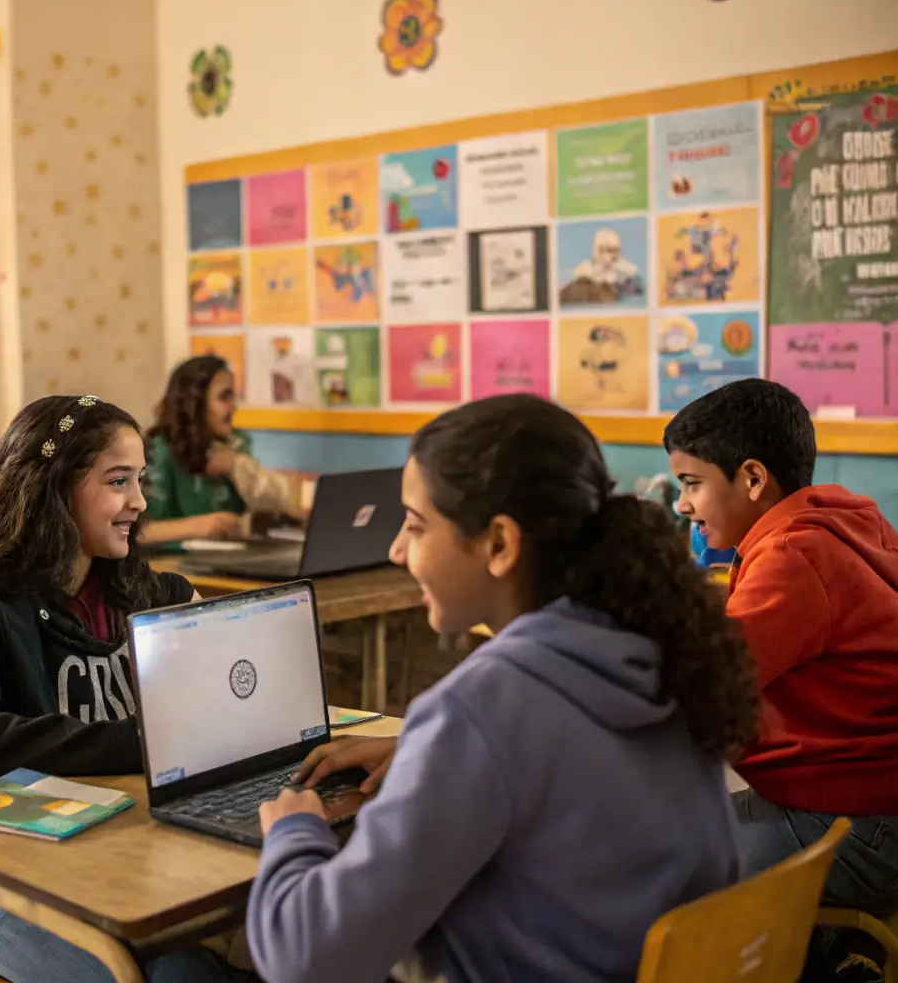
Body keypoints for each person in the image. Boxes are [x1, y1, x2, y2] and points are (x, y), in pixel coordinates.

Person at [245, 394, 759, 983]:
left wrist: (294, 830)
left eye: (416, 525)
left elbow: (302, 957)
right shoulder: (663, 655)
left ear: (499, 545)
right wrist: (423, 751)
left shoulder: (478, 709)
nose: (396, 550)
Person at [0, 395, 247, 983]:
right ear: (55, 489)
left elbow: (214, 701)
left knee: (264, 945)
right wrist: (142, 742)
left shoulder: (136, 590)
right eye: (118, 482)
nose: (140, 501)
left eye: (140, 480)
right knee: (181, 975)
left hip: (114, 861)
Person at [665, 378, 898, 980]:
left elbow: (696, 690)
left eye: (691, 483)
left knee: (651, 863)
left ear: (751, 478)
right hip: (867, 811)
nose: (682, 505)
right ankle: (831, 955)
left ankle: (819, 951)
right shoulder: (848, 521)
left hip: (858, 829)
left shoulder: (794, 557)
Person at [142, 355, 303, 544]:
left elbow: (271, 502)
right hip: (176, 560)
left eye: (233, 396)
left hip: (232, 557)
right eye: (224, 397)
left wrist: (238, 467)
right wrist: (201, 526)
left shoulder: (236, 445)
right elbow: (138, 532)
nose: (234, 407)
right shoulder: (159, 450)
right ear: (194, 403)